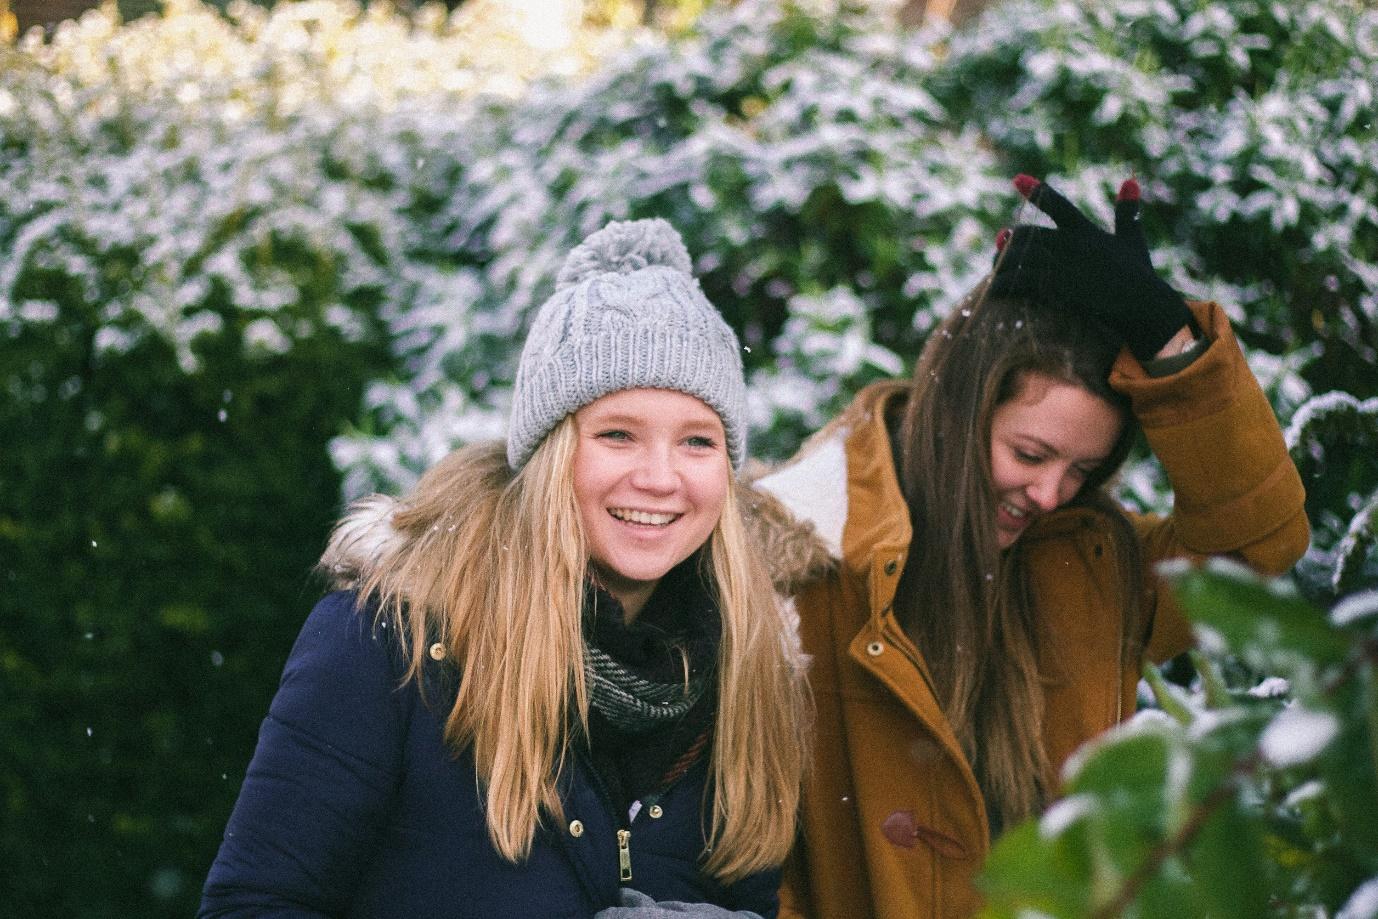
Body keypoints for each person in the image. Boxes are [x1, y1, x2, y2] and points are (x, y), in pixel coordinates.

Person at [198, 219, 809, 919]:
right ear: (549, 453)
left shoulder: (745, 670)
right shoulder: (391, 643)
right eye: (617, 433)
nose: (660, 477)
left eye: (698, 441)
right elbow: (254, 904)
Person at [754, 176, 1310, 918]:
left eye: (1082, 470)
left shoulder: (1091, 562)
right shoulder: (801, 556)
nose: (1050, 493)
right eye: (1029, 452)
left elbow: (1259, 549)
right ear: (962, 405)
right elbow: (748, 859)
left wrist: (1172, 347)